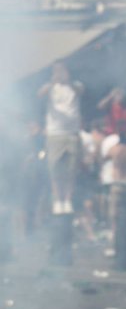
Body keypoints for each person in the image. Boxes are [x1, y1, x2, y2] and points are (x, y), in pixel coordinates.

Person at [39, 62, 84, 215]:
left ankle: (68, 200)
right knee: (55, 168)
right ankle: (58, 200)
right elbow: (39, 94)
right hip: (54, 133)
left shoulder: (75, 85)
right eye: (56, 70)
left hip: (72, 132)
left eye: (61, 70)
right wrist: (53, 82)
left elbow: (80, 90)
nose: (59, 73)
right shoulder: (50, 87)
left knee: (71, 169)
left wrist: (68, 81)